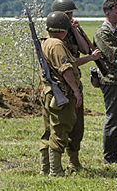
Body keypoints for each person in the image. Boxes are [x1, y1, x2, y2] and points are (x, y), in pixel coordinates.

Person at [38, 11, 101, 177]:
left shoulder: (46, 41)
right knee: (60, 131)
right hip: (60, 92)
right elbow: (66, 69)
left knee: (49, 131)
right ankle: (56, 171)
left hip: (49, 92)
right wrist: (75, 90)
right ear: (64, 29)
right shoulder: (57, 45)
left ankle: (45, 168)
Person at [51, 0, 92, 170]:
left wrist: (75, 30)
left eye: (70, 13)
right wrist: (90, 59)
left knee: (78, 126)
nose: (70, 16)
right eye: (67, 14)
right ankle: (54, 166)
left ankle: (73, 161)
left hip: (74, 81)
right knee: (61, 127)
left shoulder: (69, 31)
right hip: (63, 84)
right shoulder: (55, 37)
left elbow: (84, 49)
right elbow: (70, 62)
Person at [93, 0, 117, 164]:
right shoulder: (102, 33)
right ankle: (110, 156)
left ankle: (114, 154)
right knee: (114, 117)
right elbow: (114, 54)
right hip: (110, 79)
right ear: (107, 14)